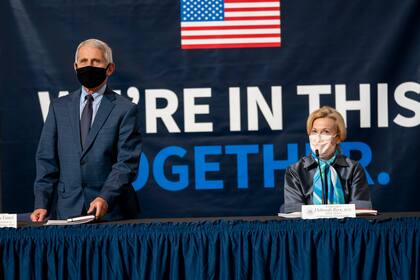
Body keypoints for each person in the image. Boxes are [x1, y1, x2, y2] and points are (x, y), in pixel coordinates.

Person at [31, 39, 142, 221]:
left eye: (96, 61)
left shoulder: (125, 109)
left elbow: (126, 163)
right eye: (83, 61)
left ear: (110, 68)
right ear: (75, 67)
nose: (88, 66)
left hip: (112, 213)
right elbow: (46, 161)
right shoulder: (58, 108)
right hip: (68, 211)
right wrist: (42, 203)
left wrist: (105, 197)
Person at [283, 106, 372, 213]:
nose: (318, 137)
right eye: (314, 131)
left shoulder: (353, 169)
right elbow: (294, 211)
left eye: (326, 132)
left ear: (338, 138)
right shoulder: (295, 171)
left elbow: (360, 208)